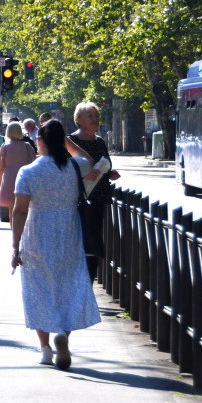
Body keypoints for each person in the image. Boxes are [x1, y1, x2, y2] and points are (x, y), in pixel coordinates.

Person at [10, 118, 102, 369]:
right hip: (69, 233)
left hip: (38, 234)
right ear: (62, 142)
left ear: (39, 141)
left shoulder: (28, 172)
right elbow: (90, 161)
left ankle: (46, 348)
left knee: (38, 288)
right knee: (69, 286)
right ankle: (64, 333)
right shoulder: (75, 166)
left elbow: (19, 211)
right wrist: (68, 142)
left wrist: (15, 245)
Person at [66, 101, 120, 276]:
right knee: (80, 239)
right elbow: (63, 170)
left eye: (96, 116)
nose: (95, 119)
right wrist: (82, 176)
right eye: (90, 116)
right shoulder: (71, 141)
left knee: (94, 240)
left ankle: (89, 277)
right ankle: (79, 277)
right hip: (77, 199)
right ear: (78, 119)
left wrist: (109, 173)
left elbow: (103, 165)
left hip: (98, 198)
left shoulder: (100, 142)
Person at [0, 121, 35, 224]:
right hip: (24, 177)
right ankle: (23, 232)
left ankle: (14, 234)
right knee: (24, 207)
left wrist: (2, 181)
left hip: (9, 177)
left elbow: (1, 167)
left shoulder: (4, 146)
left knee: (11, 208)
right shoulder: (27, 146)